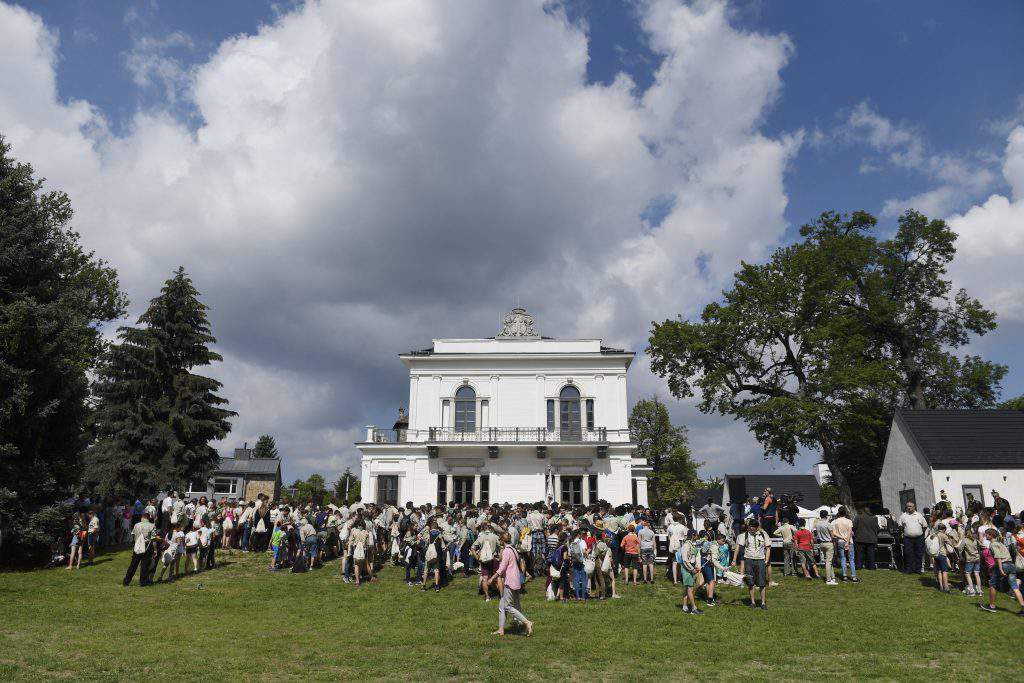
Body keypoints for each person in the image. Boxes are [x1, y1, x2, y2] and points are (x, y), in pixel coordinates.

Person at [488, 532, 533, 636]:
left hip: (510, 581)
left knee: (507, 606)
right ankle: (501, 629)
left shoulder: (507, 551)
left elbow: (502, 568)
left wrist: (492, 578)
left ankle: (527, 622)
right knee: (503, 605)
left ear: (502, 541)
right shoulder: (514, 549)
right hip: (516, 580)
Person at [980, 528, 1024, 615]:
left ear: (991, 535)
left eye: (987, 534)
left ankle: (992, 606)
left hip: (1003, 565)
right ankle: (1023, 607)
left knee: (992, 585)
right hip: (1011, 565)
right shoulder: (1001, 543)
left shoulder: (993, 544)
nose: (985, 536)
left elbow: (998, 557)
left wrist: (1000, 569)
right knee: (1015, 587)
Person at [734, 518, 771, 609]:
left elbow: (768, 547)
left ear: (757, 527)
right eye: (750, 526)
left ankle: (762, 603)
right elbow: (737, 547)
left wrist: (766, 560)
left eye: (754, 527)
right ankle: (753, 602)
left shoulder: (763, 534)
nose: (752, 529)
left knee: (762, 583)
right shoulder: (744, 535)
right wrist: (734, 560)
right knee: (750, 582)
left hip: (760, 560)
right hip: (749, 560)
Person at [123, 512, 155, 586]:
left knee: (133, 565)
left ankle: (126, 581)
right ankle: (143, 582)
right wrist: (155, 549)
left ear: (142, 517)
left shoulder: (136, 525)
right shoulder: (152, 526)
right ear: (148, 518)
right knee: (144, 565)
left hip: (137, 547)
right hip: (147, 547)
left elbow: (133, 535)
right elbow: (153, 539)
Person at [677, 533, 703, 616]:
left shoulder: (692, 544)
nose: (697, 537)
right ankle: (694, 608)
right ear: (693, 535)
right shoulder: (686, 545)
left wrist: (697, 567)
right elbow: (685, 559)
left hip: (690, 568)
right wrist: (692, 570)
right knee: (690, 589)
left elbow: (695, 556)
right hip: (686, 569)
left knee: (686, 588)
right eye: (696, 535)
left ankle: (685, 606)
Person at [831, 507, 858, 583]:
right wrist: (847, 541)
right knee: (851, 559)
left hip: (840, 541)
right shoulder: (849, 521)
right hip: (849, 541)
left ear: (838, 513)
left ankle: (845, 576)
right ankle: (853, 576)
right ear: (845, 513)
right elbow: (850, 532)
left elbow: (833, 533)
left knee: (843, 559)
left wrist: (842, 537)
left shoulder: (834, 522)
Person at [898, 501, 927, 574]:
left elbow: (924, 526)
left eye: (910, 506)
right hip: (907, 538)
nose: (909, 508)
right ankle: (909, 569)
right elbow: (900, 526)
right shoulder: (903, 515)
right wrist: (905, 532)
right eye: (907, 506)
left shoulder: (919, 515)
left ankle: (918, 569)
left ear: (914, 507)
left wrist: (919, 533)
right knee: (908, 554)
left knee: (919, 553)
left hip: (919, 538)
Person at [814, 510, 836, 585]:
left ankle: (833, 578)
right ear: (826, 516)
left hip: (822, 544)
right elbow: (832, 536)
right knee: (828, 562)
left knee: (829, 561)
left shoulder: (817, 524)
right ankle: (828, 580)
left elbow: (815, 533)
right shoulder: (828, 524)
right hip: (828, 543)